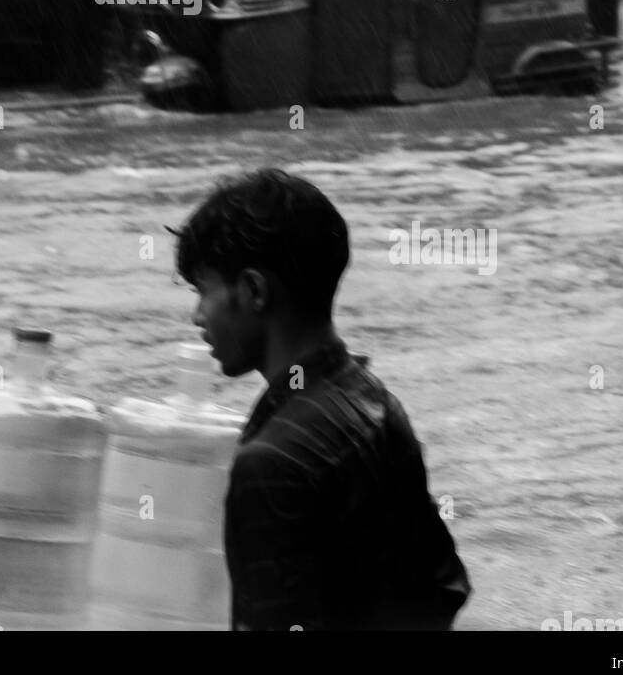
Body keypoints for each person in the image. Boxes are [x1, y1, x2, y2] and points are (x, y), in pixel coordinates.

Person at [174, 168, 472, 631]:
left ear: (254, 290)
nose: (196, 315)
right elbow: (442, 589)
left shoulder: (270, 462)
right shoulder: (374, 403)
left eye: (203, 290)